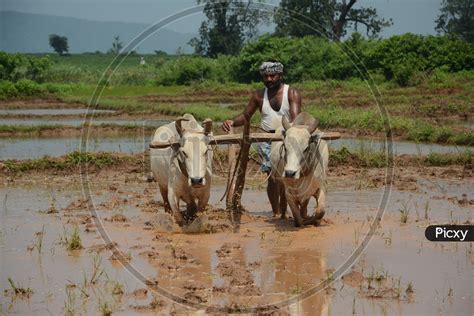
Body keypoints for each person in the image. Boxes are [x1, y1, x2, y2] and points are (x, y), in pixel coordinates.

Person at [222, 61, 302, 218]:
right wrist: (232, 122)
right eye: (266, 76)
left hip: (286, 138)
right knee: (272, 177)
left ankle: (286, 208)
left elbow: (296, 119)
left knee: (287, 176)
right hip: (265, 140)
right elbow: (246, 116)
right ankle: (276, 212)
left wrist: (289, 134)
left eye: (273, 75)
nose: (269, 79)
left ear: (280, 76)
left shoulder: (291, 93)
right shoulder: (259, 95)